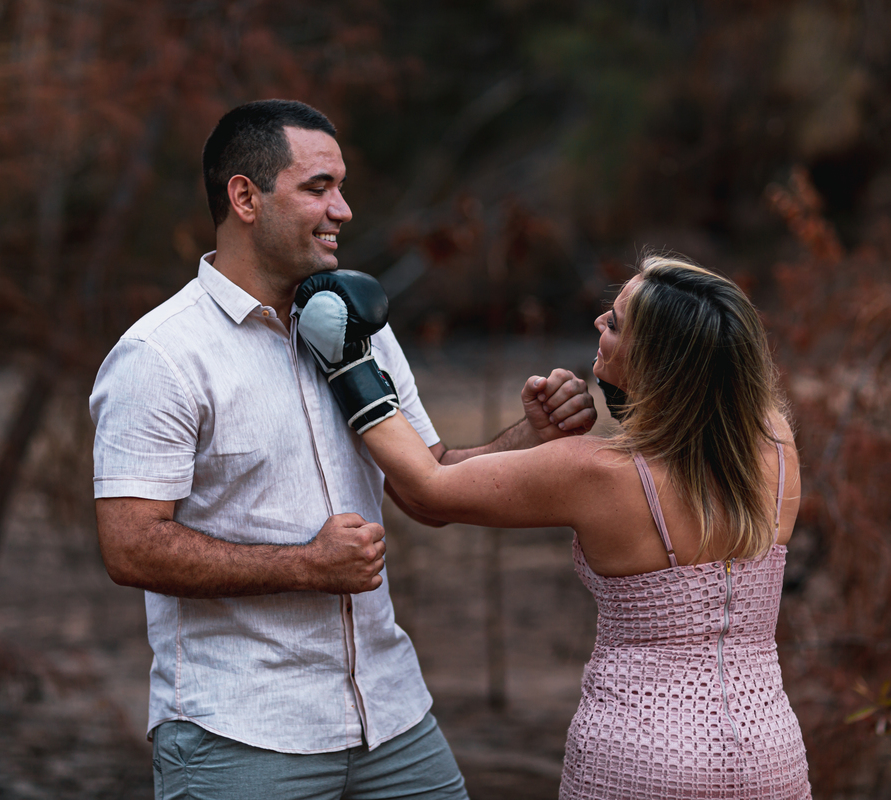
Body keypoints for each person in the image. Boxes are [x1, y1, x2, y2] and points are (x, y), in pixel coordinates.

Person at [88, 99, 598, 800]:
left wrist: (529, 438)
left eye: (342, 186)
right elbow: (129, 546)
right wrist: (306, 566)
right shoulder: (161, 356)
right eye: (319, 187)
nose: (344, 210)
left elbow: (429, 484)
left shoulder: (358, 327)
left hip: (392, 719)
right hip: (245, 734)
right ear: (245, 196)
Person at [298, 255, 812, 799]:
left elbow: (427, 487)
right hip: (769, 748)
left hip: (644, 754)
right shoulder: (774, 441)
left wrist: (349, 365)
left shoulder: (595, 471)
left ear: (657, 362)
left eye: (614, 324)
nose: (598, 324)